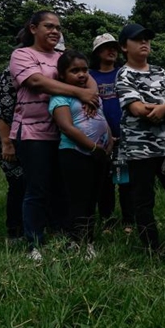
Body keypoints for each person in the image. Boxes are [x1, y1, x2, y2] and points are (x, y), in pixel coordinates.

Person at [10, 11, 100, 261]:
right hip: (32, 132)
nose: (55, 31)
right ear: (32, 28)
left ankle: (65, 235)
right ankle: (34, 243)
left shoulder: (62, 57)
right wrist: (79, 93)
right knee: (37, 187)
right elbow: (37, 82)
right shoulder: (22, 55)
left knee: (64, 188)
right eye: (48, 26)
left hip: (65, 134)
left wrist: (89, 95)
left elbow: (90, 83)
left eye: (58, 28)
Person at [115, 23, 165, 255]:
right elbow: (136, 108)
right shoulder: (124, 74)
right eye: (138, 40)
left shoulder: (159, 71)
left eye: (147, 39)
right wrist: (163, 110)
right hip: (139, 147)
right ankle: (151, 246)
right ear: (124, 47)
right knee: (143, 198)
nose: (144, 43)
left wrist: (162, 109)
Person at [50, 50, 113, 260]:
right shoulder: (59, 97)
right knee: (78, 198)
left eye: (84, 70)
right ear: (61, 76)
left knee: (92, 199)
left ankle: (89, 240)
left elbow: (102, 118)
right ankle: (75, 241)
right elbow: (67, 128)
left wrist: (109, 141)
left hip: (99, 155)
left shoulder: (91, 95)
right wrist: (94, 148)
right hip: (75, 154)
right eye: (74, 70)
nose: (81, 74)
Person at [90, 33, 133, 233]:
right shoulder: (89, 75)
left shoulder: (123, 73)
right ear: (97, 52)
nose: (112, 51)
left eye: (114, 47)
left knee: (124, 178)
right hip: (99, 136)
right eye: (106, 47)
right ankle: (106, 217)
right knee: (103, 180)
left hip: (124, 134)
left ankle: (128, 219)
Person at [0, 63, 24, 241]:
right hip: (11, 139)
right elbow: (2, 110)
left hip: (37, 138)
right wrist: (6, 143)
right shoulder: (12, 71)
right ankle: (15, 231)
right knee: (18, 184)